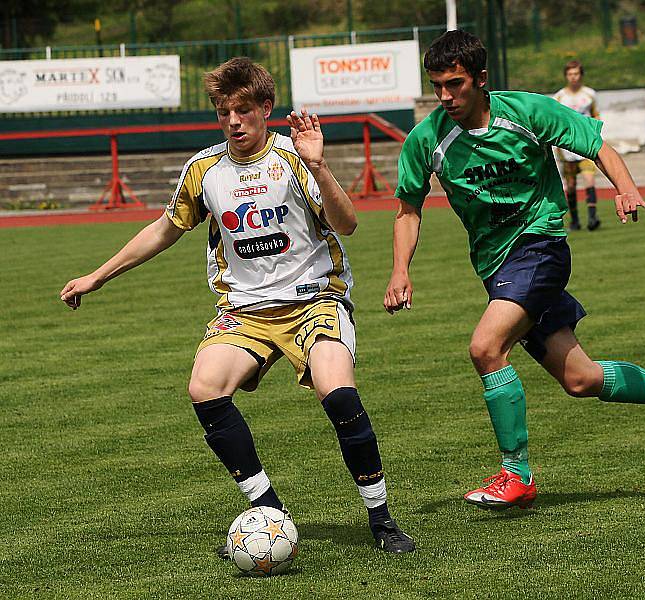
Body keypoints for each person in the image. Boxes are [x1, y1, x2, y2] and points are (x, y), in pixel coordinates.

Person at [60, 57, 415, 553]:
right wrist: (98, 276)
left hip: (315, 299)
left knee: (338, 394)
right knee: (204, 388)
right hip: (245, 310)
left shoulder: (295, 158)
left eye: (243, 110)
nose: (233, 122)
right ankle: (269, 511)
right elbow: (165, 229)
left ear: (265, 109)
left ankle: (381, 520)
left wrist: (319, 165)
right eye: (224, 112)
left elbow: (348, 223)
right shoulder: (204, 169)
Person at [384, 30, 645, 511]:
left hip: (540, 246)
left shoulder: (527, 112)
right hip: (496, 266)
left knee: (486, 349)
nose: (445, 96)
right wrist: (399, 271)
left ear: (481, 79)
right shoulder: (427, 140)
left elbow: (598, 146)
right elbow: (408, 210)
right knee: (582, 380)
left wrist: (626, 188)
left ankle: (517, 474)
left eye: (456, 84)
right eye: (437, 86)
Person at [554, 60, 601, 231]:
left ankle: (593, 218)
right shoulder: (559, 97)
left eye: (576, 73)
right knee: (571, 186)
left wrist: (594, 137)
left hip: (586, 147)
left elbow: (595, 116)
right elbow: (556, 121)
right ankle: (574, 220)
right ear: (566, 76)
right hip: (566, 149)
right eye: (570, 74)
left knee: (589, 180)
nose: (573, 77)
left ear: (581, 75)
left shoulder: (590, 94)